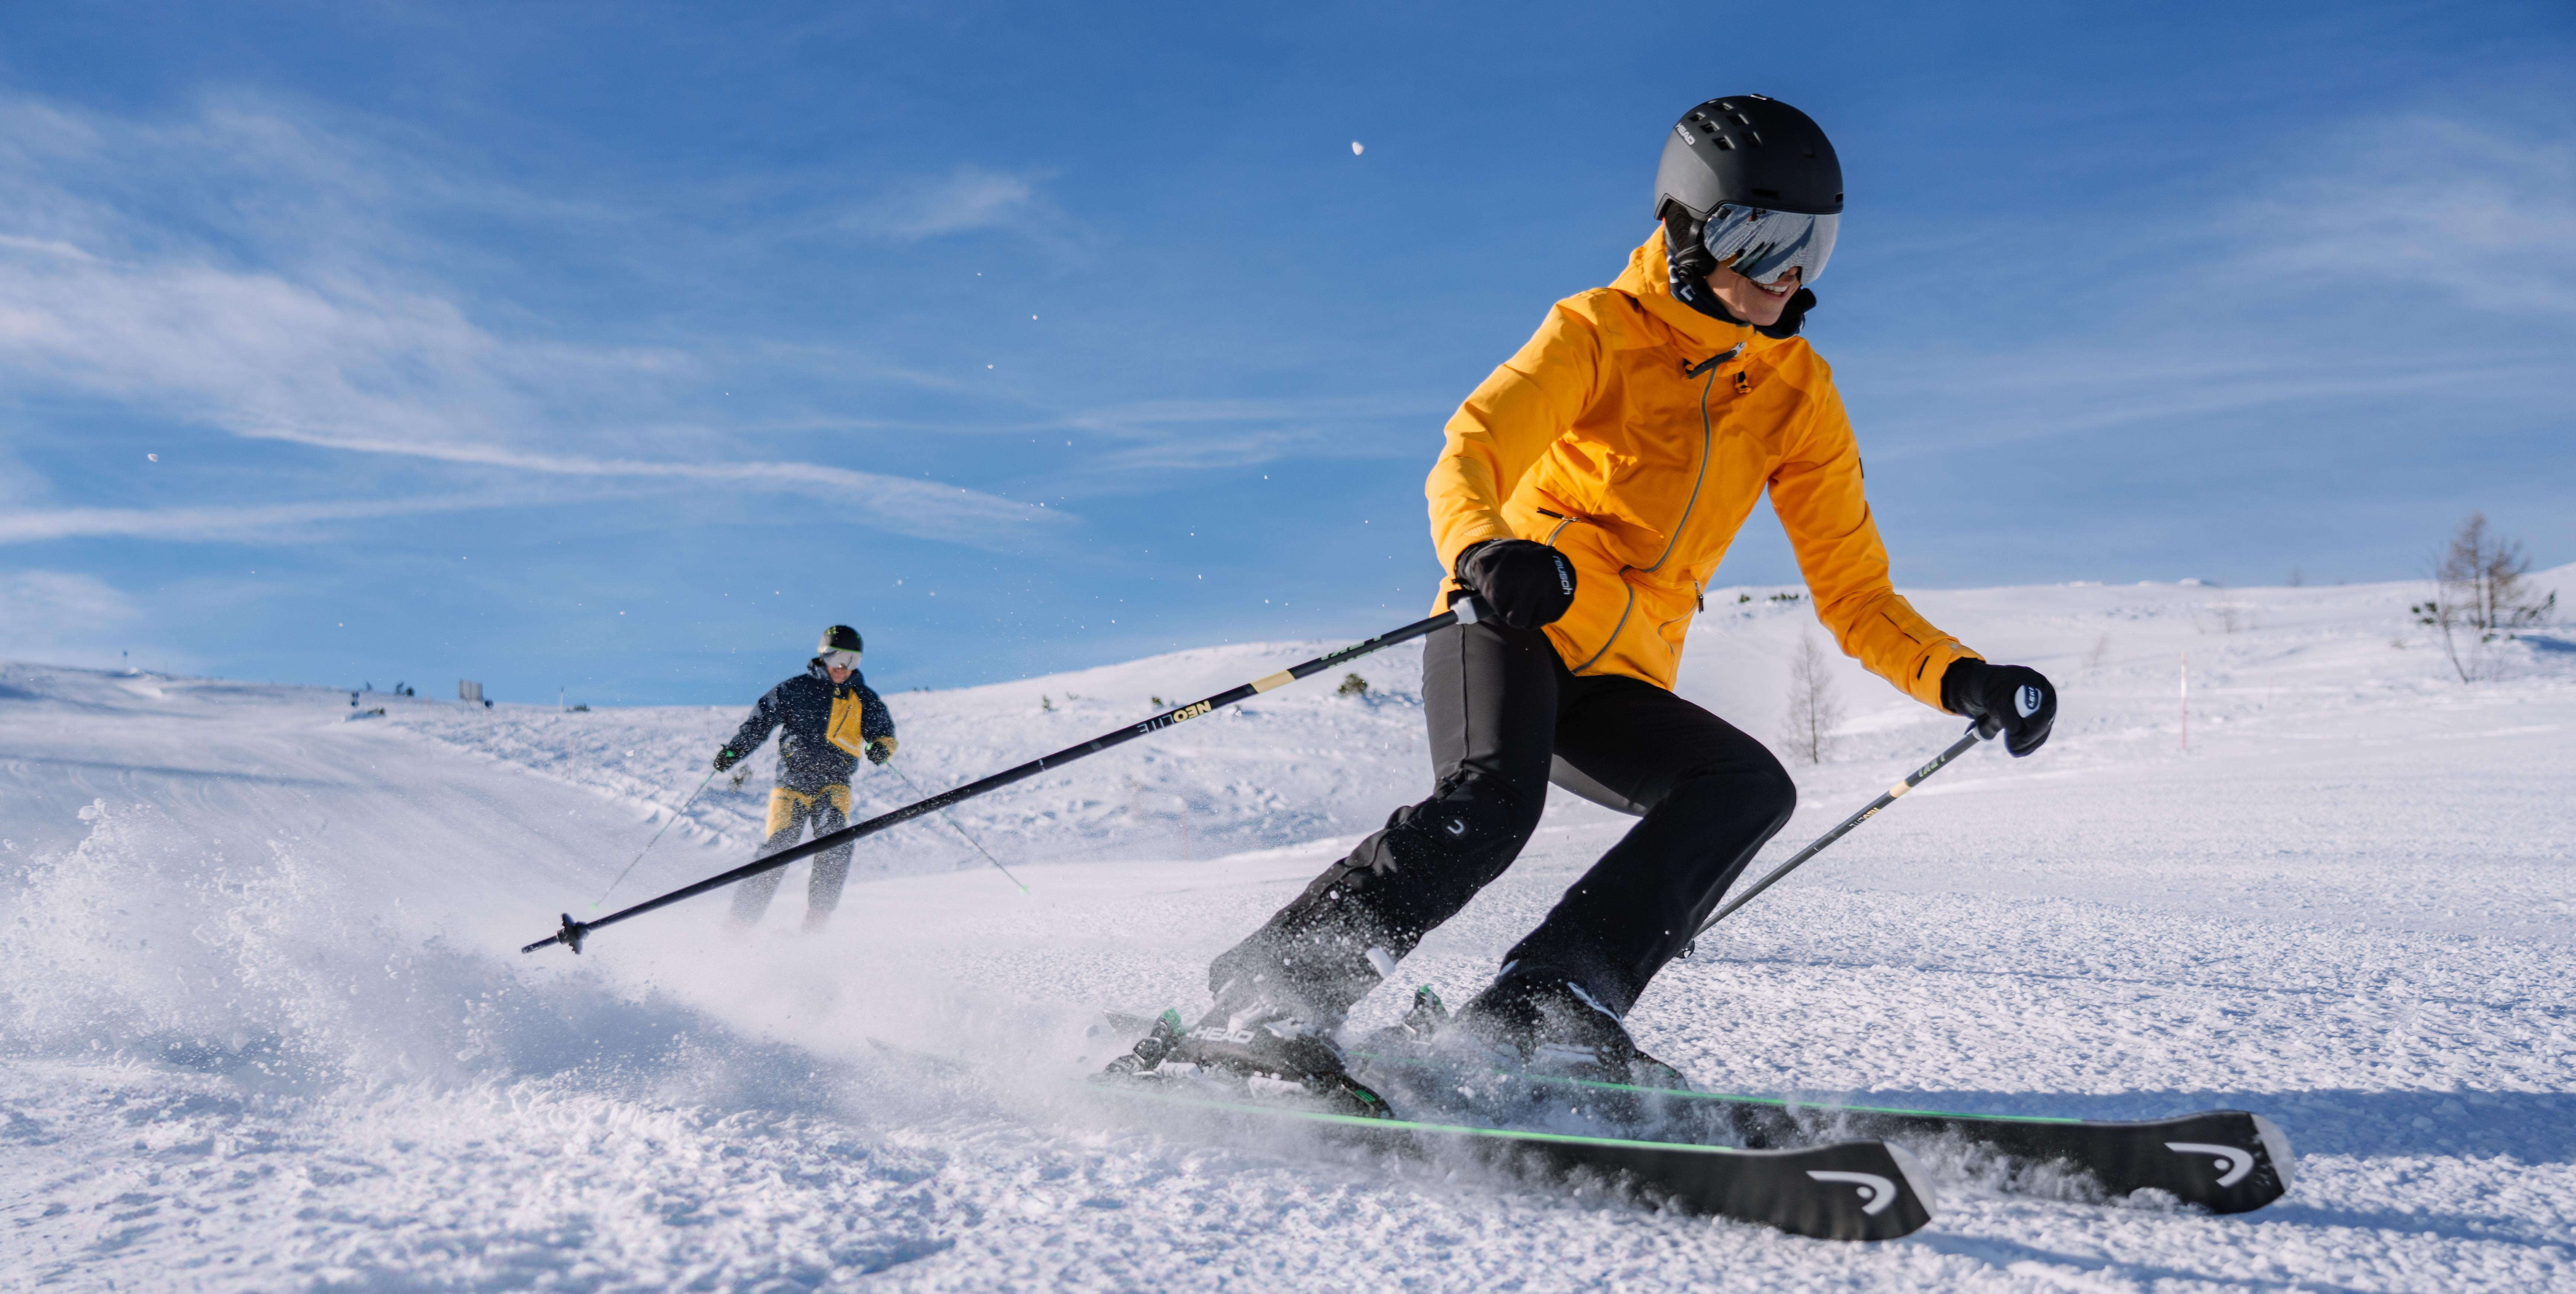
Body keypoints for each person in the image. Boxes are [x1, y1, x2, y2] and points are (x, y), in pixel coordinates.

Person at [1130, 95, 2058, 1096]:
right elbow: (1471, 449)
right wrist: (1485, 552)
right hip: (1515, 619)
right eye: (1762, 237)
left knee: (1744, 789)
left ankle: (1546, 1006)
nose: (1788, 272)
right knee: (1491, 803)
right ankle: (1273, 999)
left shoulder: (1797, 397)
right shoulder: (1597, 332)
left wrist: (1960, 678)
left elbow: (1853, 591)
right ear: (1690, 231)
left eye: (1814, 246)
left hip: (1618, 673)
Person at [713, 625, 898, 931]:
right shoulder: (795, 689)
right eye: (838, 657)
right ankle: (739, 923)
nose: (844, 667)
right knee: (780, 846)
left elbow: (883, 733)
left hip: (835, 785)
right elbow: (760, 724)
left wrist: (880, 748)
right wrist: (734, 752)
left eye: (853, 661)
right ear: (823, 655)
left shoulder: (863, 697)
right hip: (792, 785)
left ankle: (816, 921)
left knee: (836, 843)